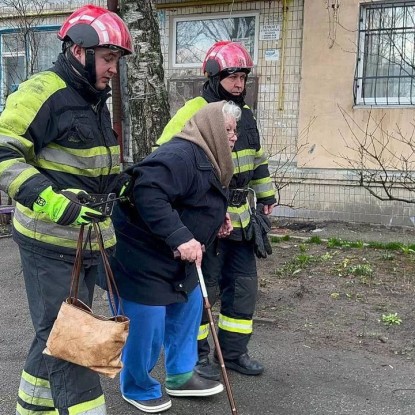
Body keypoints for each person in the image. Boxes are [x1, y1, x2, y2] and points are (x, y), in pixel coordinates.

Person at [0, 5, 133, 414]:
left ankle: (31, 409)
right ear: (80, 51)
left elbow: (90, 166)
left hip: (84, 242)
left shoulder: (92, 99)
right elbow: (4, 152)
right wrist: (54, 202)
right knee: (72, 340)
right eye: (108, 59)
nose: (114, 69)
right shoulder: (44, 92)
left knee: (53, 337)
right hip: (51, 239)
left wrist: (122, 185)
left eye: (116, 61)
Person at [109, 100, 241, 414]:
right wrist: (181, 236)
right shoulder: (179, 155)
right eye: (227, 130)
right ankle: (137, 386)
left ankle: (181, 376)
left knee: (188, 308)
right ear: (210, 130)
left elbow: (194, 198)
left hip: (176, 258)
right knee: (147, 323)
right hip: (142, 256)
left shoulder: (207, 156)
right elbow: (147, 191)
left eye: (235, 131)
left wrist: (216, 220)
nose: (234, 137)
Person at [155, 41, 277, 380]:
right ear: (213, 77)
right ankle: (195, 359)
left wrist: (267, 196)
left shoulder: (246, 115)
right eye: (231, 77)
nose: (238, 84)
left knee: (242, 286)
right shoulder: (196, 108)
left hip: (241, 217)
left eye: (242, 77)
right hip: (205, 217)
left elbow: (259, 159)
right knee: (201, 289)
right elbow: (166, 153)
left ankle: (235, 352)